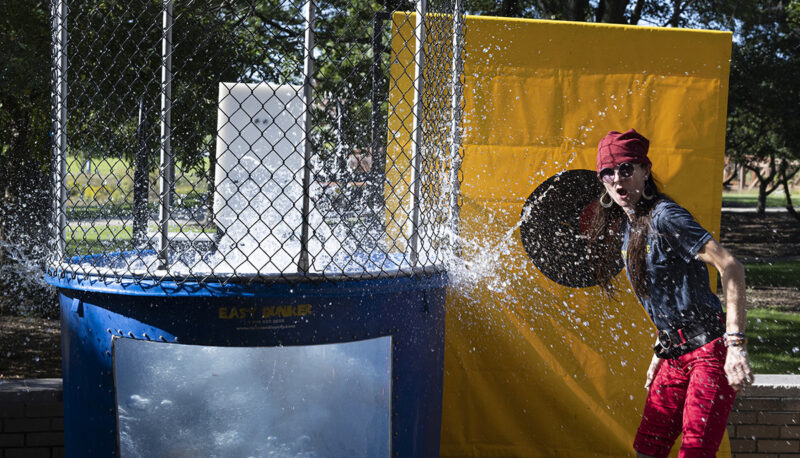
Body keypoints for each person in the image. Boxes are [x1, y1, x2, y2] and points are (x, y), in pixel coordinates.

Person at [587, 129, 754, 458]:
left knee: (695, 451)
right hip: (674, 355)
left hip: (709, 352)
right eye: (608, 172)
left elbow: (731, 267)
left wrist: (735, 345)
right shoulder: (630, 224)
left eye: (626, 169)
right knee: (647, 449)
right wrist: (661, 346)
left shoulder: (665, 217)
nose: (617, 179)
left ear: (645, 171)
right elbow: (669, 295)